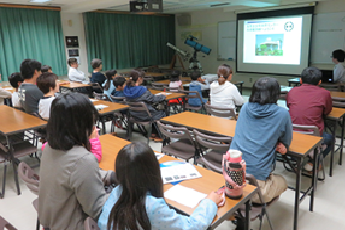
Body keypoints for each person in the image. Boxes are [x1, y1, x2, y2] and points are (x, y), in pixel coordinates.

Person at [98, 141, 223, 230]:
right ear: (153, 170)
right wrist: (209, 203)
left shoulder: (115, 193)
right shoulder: (153, 207)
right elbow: (192, 227)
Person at [39, 93, 113, 230]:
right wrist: (121, 193)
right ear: (80, 125)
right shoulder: (83, 160)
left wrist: (110, 176)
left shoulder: (50, 148)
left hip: (51, 222)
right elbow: (97, 209)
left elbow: (74, 176)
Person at [230, 77, 292, 205]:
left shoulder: (245, 107)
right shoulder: (282, 114)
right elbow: (286, 140)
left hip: (230, 178)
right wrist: (282, 144)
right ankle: (252, 203)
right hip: (256, 186)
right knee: (283, 182)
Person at [287, 67, 332, 171]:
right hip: (313, 136)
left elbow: (289, 106)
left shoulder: (292, 91)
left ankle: (296, 159)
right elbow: (327, 111)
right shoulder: (325, 93)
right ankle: (313, 163)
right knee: (330, 138)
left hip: (292, 134)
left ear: (300, 80)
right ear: (320, 82)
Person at [124, 70, 166, 140]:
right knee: (161, 112)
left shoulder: (126, 89)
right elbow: (154, 99)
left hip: (133, 114)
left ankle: (153, 133)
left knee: (154, 111)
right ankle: (160, 135)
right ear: (139, 79)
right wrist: (163, 96)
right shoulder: (143, 90)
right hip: (146, 115)